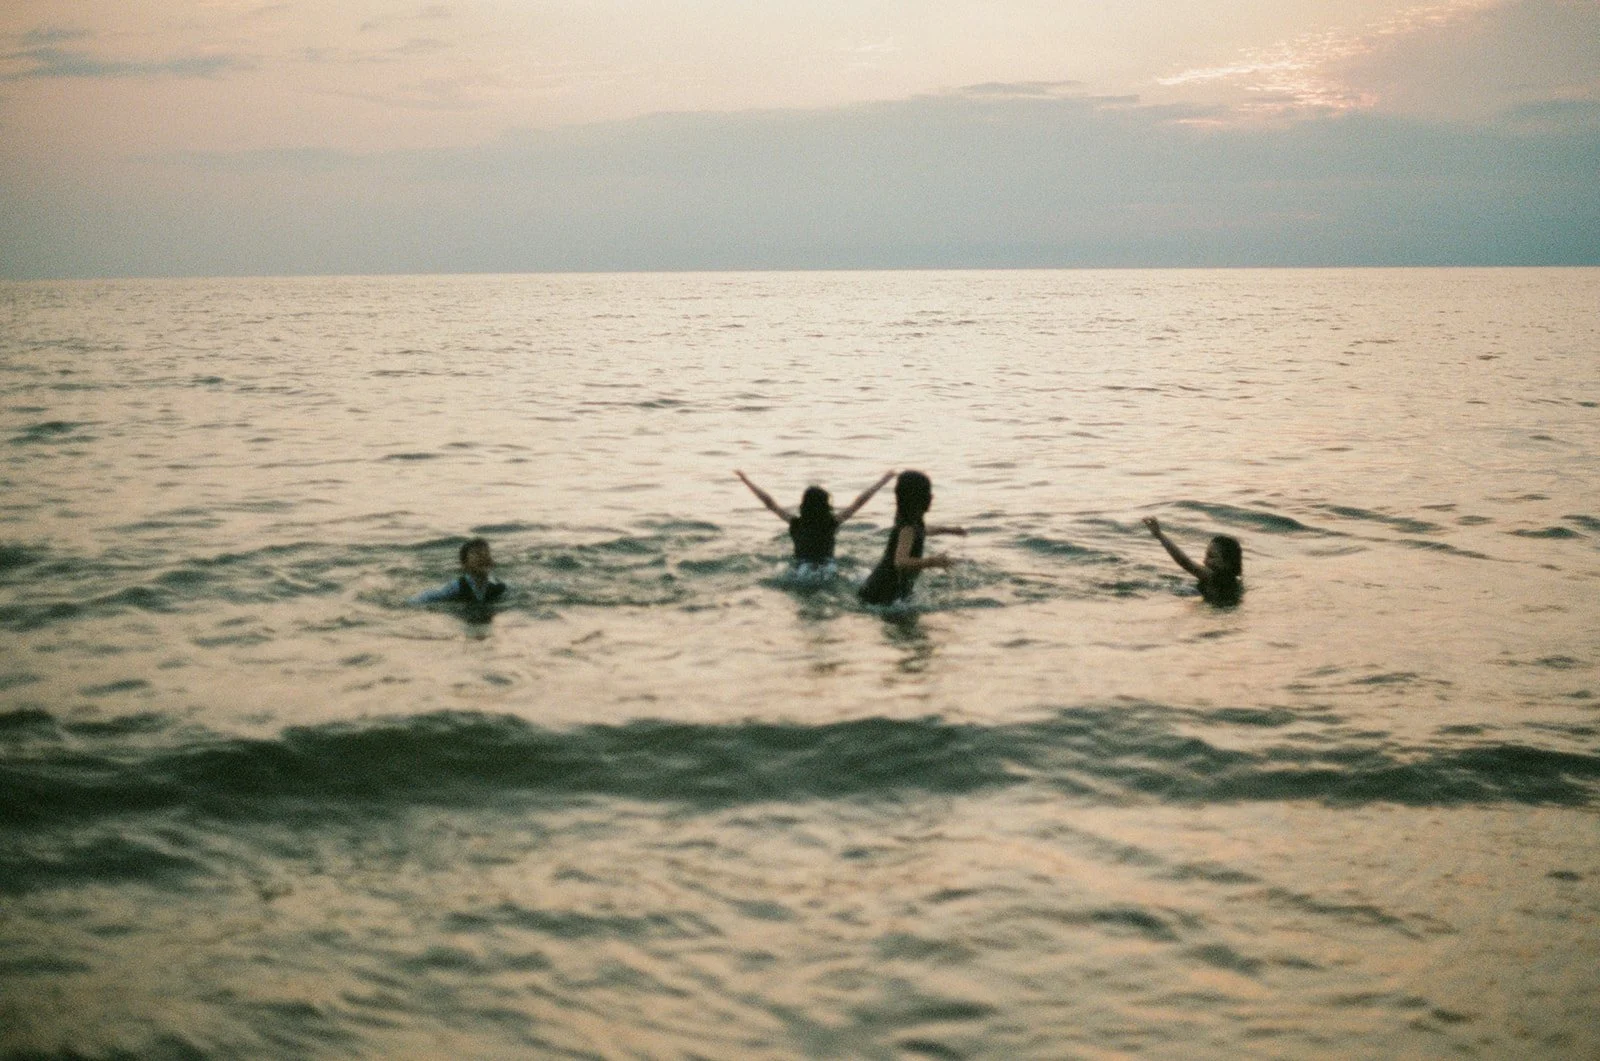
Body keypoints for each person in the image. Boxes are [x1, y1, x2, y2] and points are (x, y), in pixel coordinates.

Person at [735, 468, 895, 577]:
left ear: (804, 504)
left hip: (801, 571)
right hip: (827, 569)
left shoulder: (796, 523)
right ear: (826, 505)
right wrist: (883, 481)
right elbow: (860, 502)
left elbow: (769, 503)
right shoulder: (831, 523)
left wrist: (746, 480)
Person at [858, 470, 967, 606]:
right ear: (919, 499)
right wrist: (932, 561)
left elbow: (920, 532)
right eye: (927, 493)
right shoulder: (908, 527)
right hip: (881, 593)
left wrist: (947, 530)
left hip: (882, 589)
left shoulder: (910, 520)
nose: (932, 496)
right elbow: (900, 561)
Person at [1142, 517, 1242, 604]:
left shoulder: (1211, 576)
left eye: (1211, 556)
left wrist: (1159, 535)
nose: (1205, 561)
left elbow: (1184, 562)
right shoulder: (1235, 581)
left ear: (1227, 563)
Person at [411, 537, 508, 605]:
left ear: (492, 563)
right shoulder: (456, 586)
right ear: (464, 564)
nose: (483, 556)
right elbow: (428, 596)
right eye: (477, 553)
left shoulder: (500, 586)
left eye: (486, 553)